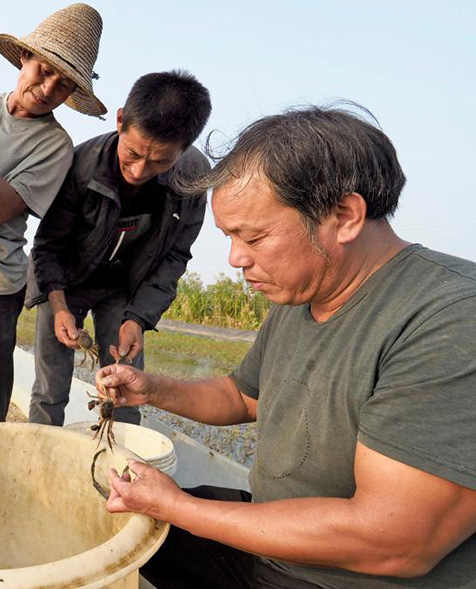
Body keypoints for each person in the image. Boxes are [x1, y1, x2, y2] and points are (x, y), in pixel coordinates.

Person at [94, 106, 476, 588]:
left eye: (252, 236)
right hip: (269, 535)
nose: (235, 258)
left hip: (339, 577)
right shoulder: (303, 294)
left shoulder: (450, 319)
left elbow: (396, 542)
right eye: (230, 236)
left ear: (344, 216)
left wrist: (180, 507)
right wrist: (151, 389)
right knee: (113, 515)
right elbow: (244, 396)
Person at [0, 3, 107, 423]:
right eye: (45, 70)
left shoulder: (54, 146)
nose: (48, 87)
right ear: (25, 58)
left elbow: (1, 209)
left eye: (64, 83)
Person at [25, 70, 211, 426]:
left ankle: (122, 471)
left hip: (124, 290)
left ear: (183, 149)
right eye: (134, 153)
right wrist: (60, 307)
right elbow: (48, 245)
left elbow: (174, 258)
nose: (140, 171)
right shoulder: (80, 165)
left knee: (125, 390)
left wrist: (137, 319)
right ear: (121, 119)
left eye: (160, 161)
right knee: (50, 389)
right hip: (67, 283)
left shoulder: (193, 181)